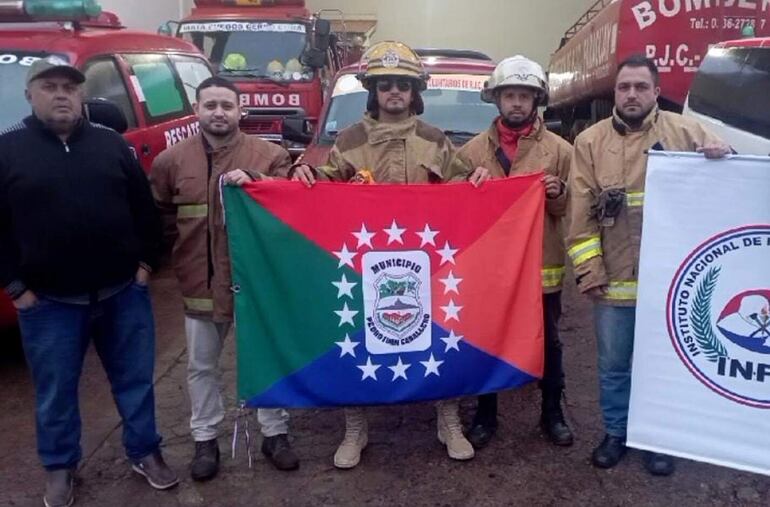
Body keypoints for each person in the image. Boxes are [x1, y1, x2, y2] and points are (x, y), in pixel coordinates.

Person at [291, 41, 490, 469]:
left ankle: (447, 419)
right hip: (363, 267)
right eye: (385, 85)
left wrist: (476, 177)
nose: (394, 92)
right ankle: (355, 426)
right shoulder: (348, 140)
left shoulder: (436, 141)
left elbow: (462, 191)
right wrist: (302, 172)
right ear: (373, 91)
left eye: (402, 84)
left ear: (415, 91)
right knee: (358, 341)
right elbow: (322, 190)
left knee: (437, 336)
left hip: (425, 266)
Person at [0, 56, 176, 507]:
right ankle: (60, 468)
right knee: (56, 391)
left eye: (70, 87)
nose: (61, 94)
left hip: (122, 293)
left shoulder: (110, 144)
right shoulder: (7, 149)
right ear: (30, 94)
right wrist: (16, 288)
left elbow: (145, 210)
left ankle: (145, 451)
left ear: (82, 95)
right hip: (49, 303)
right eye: (50, 86)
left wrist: (145, 267)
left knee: (135, 381)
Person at [567, 54, 731, 476]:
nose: (632, 94)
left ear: (656, 92)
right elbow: (580, 217)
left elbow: (731, 184)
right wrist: (590, 271)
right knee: (614, 366)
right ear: (615, 93)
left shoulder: (688, 132)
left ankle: (658, 438)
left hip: (673, 285)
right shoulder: (589, 142)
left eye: (641, 87)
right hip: (615, 282)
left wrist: (724, 154)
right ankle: (616, 433)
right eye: (625, 87)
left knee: (663, 365)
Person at [150, 76, 298, 481]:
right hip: (201, 282)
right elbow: (160, 217)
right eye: (210, 105)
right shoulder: (171, 161)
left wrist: (258, 182)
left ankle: (275, 433)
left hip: (258, 282)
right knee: (201, 366)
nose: (219, 112)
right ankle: (205, 440)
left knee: (266, 357)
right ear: (196, 110)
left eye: (226, 105)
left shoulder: (270, 155)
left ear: (240, 111)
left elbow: (293, 202)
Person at [457, 55, 574, 449]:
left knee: (549, 342)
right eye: (510, 95)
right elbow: (454, 213)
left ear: (537, 99)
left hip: (542, 267)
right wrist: (470, 190)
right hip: (488, 270)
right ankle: (486, 414)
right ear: (497, 99)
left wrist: (558, 196)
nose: (518, 103)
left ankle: (552, 414)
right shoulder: (471, 153)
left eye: (525, 95)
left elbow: (576, 209)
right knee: (487, 339)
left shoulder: (560, 151)